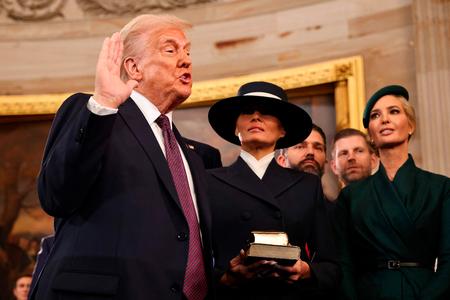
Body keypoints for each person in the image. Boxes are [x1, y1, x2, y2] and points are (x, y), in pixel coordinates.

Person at [33, 14, 213, 300]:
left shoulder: (191, 155)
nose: (186, 60)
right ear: (133, 67)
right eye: (170, 49)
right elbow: (56, 195)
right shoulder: (95, 114)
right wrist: (103, 105)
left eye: (187, 51)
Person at [207, 81, 340, 299]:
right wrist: (225, 278)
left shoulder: (307, 185)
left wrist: (305, 271)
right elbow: (192, 261)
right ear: (235, 127)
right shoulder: (208, 181)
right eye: (247, 111)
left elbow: (331, 266)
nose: (256, 116)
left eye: (267, 112)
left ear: (283, 130)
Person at [335, 85, 450, 300]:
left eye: (394, 111)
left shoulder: (441, 188)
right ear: (370, 134)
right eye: (375, 115)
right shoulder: (351, 197)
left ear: (411, 126)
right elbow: (344, 264)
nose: (384, 119)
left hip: (425, 293)